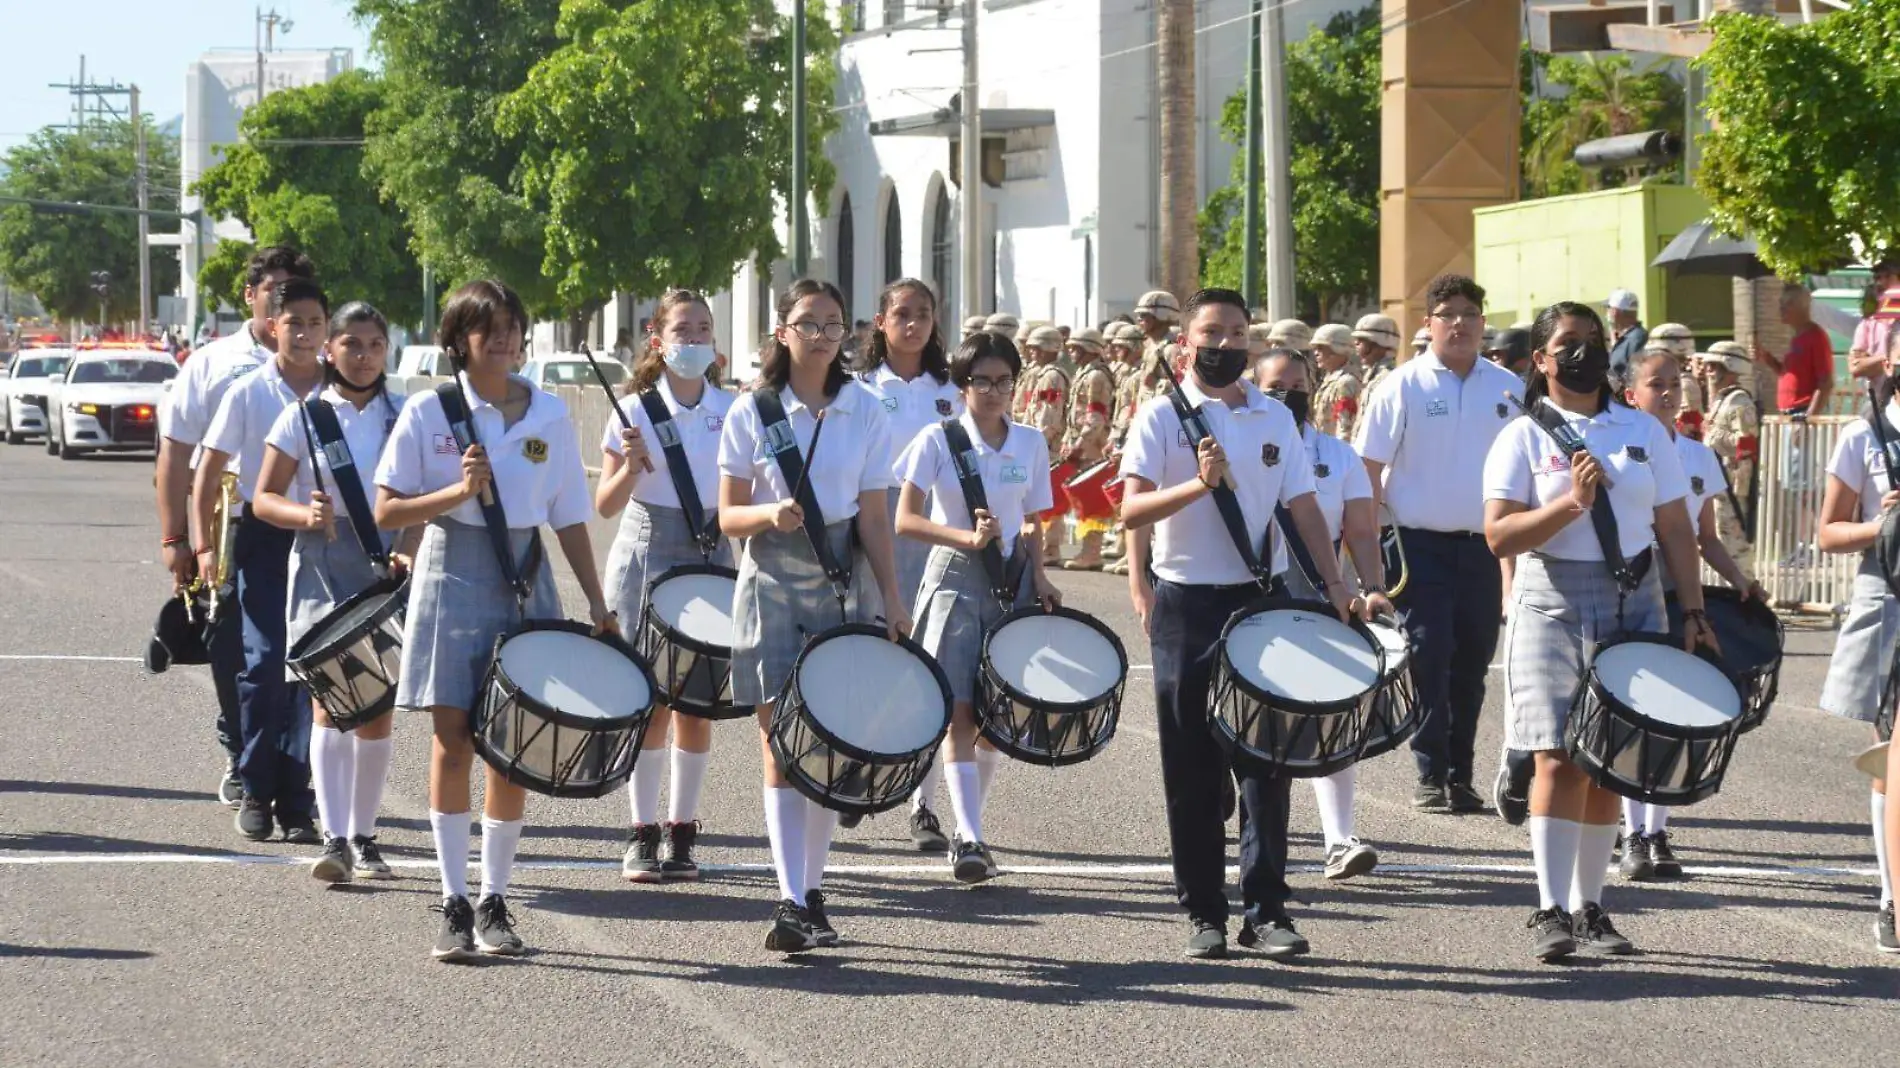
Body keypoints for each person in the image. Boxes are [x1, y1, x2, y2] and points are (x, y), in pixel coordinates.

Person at [374, 279, 616, 962]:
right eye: (489, 330)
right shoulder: (431, 411)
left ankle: (495, 897)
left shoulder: (548, 415)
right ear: (458, 340)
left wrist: (598, 606)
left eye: (512, 326)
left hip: (525, 577)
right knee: (452, 740)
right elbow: (386, 509)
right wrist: (456, 491)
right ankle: (453, 899)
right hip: (453, 570)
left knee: (513, 746)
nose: (505, 340)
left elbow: (570, 515)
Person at [1120, 287, 1361, 961]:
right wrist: (1199, 484)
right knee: (1192, 768)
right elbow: (1131, 513)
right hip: (1186, 605)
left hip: (1259, 602)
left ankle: (1267, 909)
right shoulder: (1160, 417)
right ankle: (1203, 912)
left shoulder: (1273, 417)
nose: (1224, 345)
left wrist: (1336, 585)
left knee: (1267, 765)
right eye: (1211, 333)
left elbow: (1305, 510)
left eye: (1236, 333)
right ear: (1184, 344)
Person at [1482, 300, 1717, 962]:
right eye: (1568, 343)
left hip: (1634, 597)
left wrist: (1692, 612)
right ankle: (1549, 908)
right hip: (1552, 597)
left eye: (1593, 340)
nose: (1583, 352)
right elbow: (1499, 534)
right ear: (1541, 359)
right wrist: (1571, 505)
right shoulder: (1522, 436)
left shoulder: (1641, 430)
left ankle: (1592, 909)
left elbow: (1676, 529)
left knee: (1612, 760)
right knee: (1556, 755)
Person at [716, 278, 910, 954]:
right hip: (770, 574)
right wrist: (768, 513)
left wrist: (892, 595)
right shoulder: (753, 410)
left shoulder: (865, 409)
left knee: (828, 740)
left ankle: (812, 890)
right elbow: (727, 514)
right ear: (783, 331)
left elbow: (876, 514)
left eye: (834, 324)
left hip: (841, 577)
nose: (823, 335)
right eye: (809, 323)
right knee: (778, 740)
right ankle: (791, 897)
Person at [251, 301, 411, 883]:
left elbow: (424, 496)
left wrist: (410, 545)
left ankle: (366, 836)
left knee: (376, 710)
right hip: (321, 567)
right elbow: (262, 498)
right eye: (351, 344)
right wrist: (304, 513)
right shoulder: (304, 416)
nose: (363, 356)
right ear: (330, 349)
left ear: (386, 349)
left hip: (384, 573)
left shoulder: (405, 415)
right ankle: (335, 835)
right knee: (329, 700)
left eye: (373, 344)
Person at [895, 332, 1061, 883]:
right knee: (958, 708)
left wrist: (1039, 574)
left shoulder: (1031, 443)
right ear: (962, 386)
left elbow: (1037, 519)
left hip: (1009, 581)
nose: (994, 392)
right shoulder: (936, 439)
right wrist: (962, 537)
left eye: (1004, 381)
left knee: (995, 718)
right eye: (982, 381)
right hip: (954, 578)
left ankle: (970, 822)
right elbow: (905, 519)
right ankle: (966, 836)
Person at [1355, 275, 1524, 814]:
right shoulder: (1402, 385)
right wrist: (1365, 552)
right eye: (1447, 313)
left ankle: (1462, 774)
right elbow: (1368, 470)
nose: (1459, 323)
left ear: (1482, 323)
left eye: (1470, 313)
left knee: (1472, 660)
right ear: (1427, 325)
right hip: (1416, 545)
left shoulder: (1508, 389)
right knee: (1429, 653)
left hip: (1485, 547)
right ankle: (1430, 769)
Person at [156, 246, 314, 809]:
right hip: (231, 521)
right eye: (273, 287)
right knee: (234, 649)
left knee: (298, 650)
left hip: (308, 526)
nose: (282, 295)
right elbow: (176, 457)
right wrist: (178, 539)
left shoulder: (329, 364)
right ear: (251, 296)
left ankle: (291, 773)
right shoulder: (214, 361)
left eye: (294, 287)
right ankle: (242, 748)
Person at [597, 289, 736, 884]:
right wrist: (630, 466)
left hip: (712, 547)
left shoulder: (733, 409)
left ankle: (683, 831)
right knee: (651, 697)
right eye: (683, 331)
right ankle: (641, 832)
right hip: (649, 547)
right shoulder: (632, 410)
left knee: (696, 702)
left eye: (704, 329)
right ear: (658, 339)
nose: (694, 340)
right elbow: (603, 505)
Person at [1615, 346, 1767, 882]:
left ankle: (1655, 831)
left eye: (1676, 383)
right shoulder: (1617, 446)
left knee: (1672, 712)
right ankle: (1630, 829)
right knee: (1632, 713)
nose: (1670, 392)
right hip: (1630, 588)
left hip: (1682, 594)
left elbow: (1705, 539)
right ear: (1630, 394)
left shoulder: (1700, 456)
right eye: (1657, 384)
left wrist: (1742, 581)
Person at [194, 277, 334, 845]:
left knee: (312, 670)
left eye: (314, 324)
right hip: (264, 537)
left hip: (327, 541)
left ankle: (299, 799)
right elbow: (208, 470)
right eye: (292, 322)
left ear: (327, 330)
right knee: (263, 664)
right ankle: (255, 787)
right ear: (272, 325)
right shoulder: (248, 391)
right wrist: (202, 545)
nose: (303, 334)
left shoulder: (343, 392)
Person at [1254, 345, 1394, 880]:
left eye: (1296, 386)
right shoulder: (1236, 449)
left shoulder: (1339, 457)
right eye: (1273, 387)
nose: (1287, 396)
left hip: (1318, 595)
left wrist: (1373, 586)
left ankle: (1339, 838)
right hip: (1245, 597)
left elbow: (1361, 531)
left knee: (1328, 717)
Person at [854, 278, 962, 850]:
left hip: (934, 531)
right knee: (874, 652)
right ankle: (859, 770)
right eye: (902, 313)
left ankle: (923, 803)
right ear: (881, 321)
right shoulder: (859, 388)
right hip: (876, 529)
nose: (913, 324)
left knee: (931, 662)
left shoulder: (952, 389)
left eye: (923, 313)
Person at [1815, 348, 1900, 953]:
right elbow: (1827, 531)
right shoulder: (1861, 434)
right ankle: (1893, 896)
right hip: (1888, 595)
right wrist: (1883, 525)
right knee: (1890, 753)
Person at [1699, 344, 1761, 576]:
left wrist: (1714, 437)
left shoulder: (1739, 401)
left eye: (1715, 366)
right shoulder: (1722, 399)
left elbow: (1746, 444)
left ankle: (1746, 597)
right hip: (1716, 483)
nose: (1709, 370)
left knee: (1735, 548)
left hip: (1731, 485)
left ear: (1731, 366)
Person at [1062, 327, 1115, 570]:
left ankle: (1091, 552)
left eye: (1076, 347)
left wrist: (1080, 444)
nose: (1070, 352)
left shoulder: (1096, 377)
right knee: (1082, 500)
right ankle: (1087, 549)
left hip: (1093, 446)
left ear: (1089, 349)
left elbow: (1096, 415)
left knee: (1091, 500)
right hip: (1082, 444)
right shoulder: (1084, 373)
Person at [1021, 325, 1070, 566]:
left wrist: (1037, 440)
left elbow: (1049, 414)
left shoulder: (1051, 376)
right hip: (1037, 442)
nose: (1033, 352)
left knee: (1048, 497)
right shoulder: (1042, 373)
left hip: (1046, 445)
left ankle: (1051, 547)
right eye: (1031, 348)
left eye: (1038, 348)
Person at [1754, 284, 1835, 416]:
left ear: (1802, 306)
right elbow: (1786, 373)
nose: (1781, 309)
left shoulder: (1816, 336)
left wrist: (1810, 417)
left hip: (1802, 412)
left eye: (1788, 304)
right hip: (1789, 413)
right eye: (1781, 304)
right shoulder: (1796, 338)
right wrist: (1766, 357)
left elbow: (1826, 383)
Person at [1309, 324, 1362, 442]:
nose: (1316, 353)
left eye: (1321, 348)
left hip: (1333, 453)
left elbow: (1345, 427)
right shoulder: (1329, 379)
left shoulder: (1346, 382)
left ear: (1337, 349)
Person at [1353, 314, 1402, 401]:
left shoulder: (1388, 378)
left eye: (1361, 339)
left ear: (1380, 343)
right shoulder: (1370, 375)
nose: (1356, 343)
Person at [1605, 288, 1648, 375]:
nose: (1607, 312)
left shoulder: (1636, 339)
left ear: (1616, 312)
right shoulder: (1628, 337)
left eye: (1609, 308)